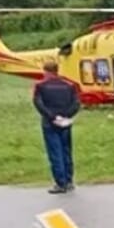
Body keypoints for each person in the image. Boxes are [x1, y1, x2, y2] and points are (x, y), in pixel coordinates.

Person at [33, 60, 81, 194]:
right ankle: (69, 180)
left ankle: (60, 183)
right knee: (66, 151)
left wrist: (52, 116)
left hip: (50, 123)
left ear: (46, 71)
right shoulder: (69, 85)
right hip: (65, 122)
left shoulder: (40, 86)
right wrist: (66, 115)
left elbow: (38, 103)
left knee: (55, 153)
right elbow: (76, 103)